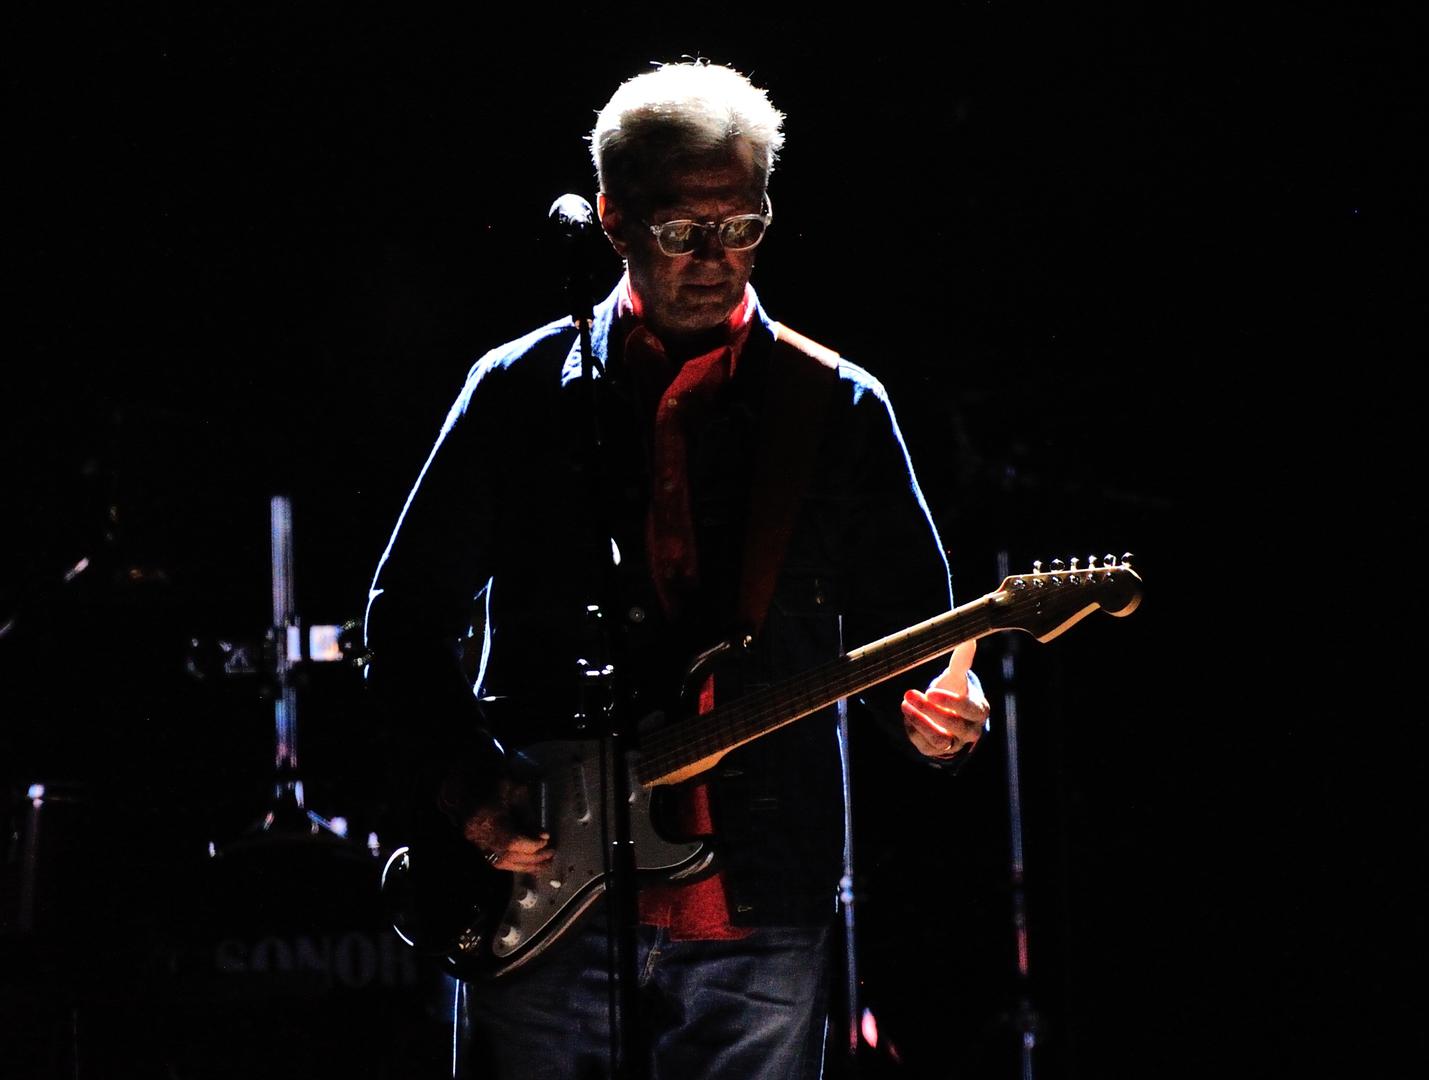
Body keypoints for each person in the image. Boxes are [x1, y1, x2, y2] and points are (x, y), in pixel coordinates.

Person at [365, 61, 989, 1079]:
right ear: (613, 219)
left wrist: (937, 719)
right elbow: (404, 618)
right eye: (680, 230)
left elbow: (912, 637)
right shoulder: (517, 392)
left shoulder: (836, 407)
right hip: (541, 883)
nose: (715, 258)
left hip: (761, 889)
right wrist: (468, 783)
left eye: (742, 226)